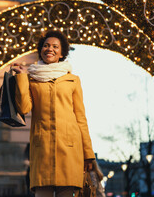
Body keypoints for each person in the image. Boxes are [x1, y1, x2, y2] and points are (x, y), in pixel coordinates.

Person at [11, 30, 95, 197]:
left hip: (70, 148)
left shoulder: (73, 80)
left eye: (55, 46)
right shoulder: (31, 79)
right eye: (46, 45)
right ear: (41, 50)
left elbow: (80, 118)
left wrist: (88, 154)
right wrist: (21, 78)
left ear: (62, 53)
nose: (50, 49)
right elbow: (24, 108)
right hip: (43, 149)